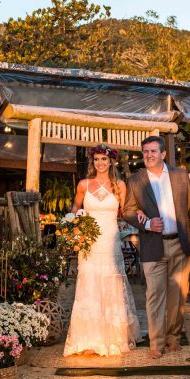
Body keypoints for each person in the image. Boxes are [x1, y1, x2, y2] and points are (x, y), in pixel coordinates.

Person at [122, 136, 190, 359]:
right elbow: (127, 210)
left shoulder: (180, 175)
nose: (148, 155)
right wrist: (147, 223)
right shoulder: (136, 180)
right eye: (145, 152)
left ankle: (173, 338)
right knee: (154, 296)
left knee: (177, 295)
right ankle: (156, 344)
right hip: (152, 245)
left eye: (153, 151)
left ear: (163, 154)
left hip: (180, 243)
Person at [64, 145, 140, 356]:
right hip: (89, 244)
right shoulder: (83, 185)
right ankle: (88, 338)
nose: (100, 163)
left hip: (110, 241)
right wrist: (75, 231)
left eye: (104, 159)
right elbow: (75, 210)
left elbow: (125, 213)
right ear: (92, 162)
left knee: (112, 281)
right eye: (97, 159)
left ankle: (113, 337)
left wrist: (143, 216)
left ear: (110, 162)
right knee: (88, 282)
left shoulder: (119, 186)